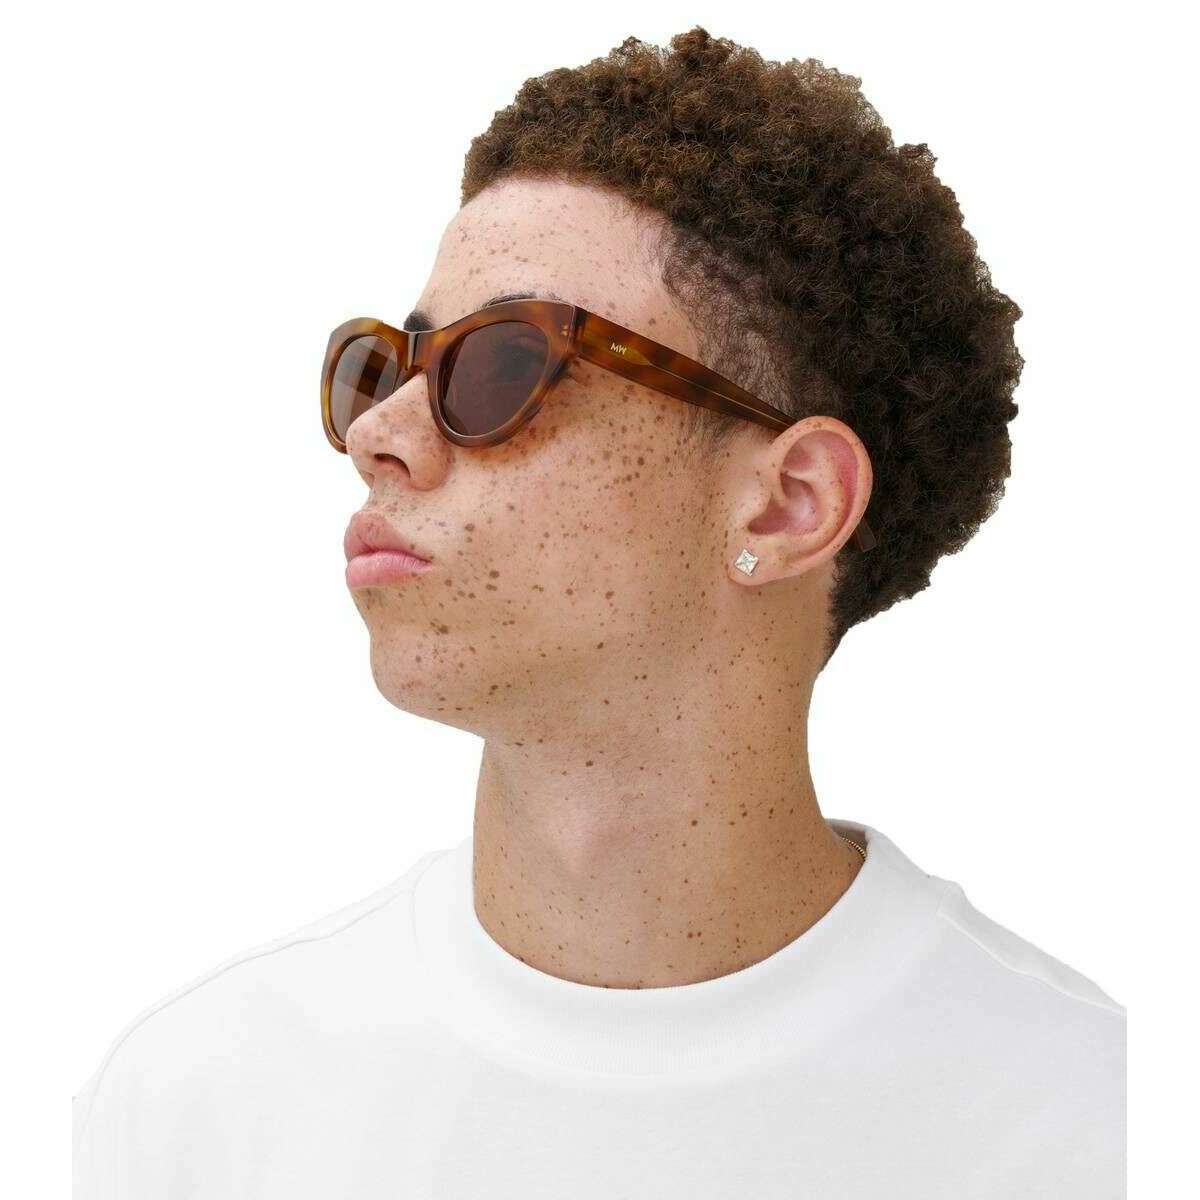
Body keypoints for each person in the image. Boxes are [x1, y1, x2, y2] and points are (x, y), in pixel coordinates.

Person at [72, 26, 1125, 1199]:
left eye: (497, 367)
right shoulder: (204, 1107)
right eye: (385, 366)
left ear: (788, 502)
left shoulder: (1091, 1130)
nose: (377, 435)